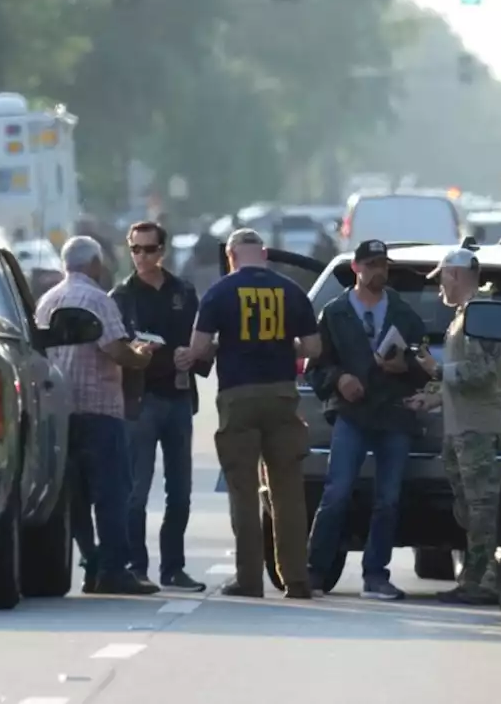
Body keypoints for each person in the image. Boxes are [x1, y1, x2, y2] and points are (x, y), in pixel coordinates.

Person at [183, 228, 321, 599]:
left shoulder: (219, 292)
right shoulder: (290, 291)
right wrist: (279, 348)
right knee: (288, 490)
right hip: (281, 395)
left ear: (231, 257)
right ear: (263, 254)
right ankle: (296, 578)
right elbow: (313, 347)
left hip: (237, 396)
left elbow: (197, 348)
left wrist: (226, 346)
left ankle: (249, 579)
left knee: (243, 489)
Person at [34, 235, 160, 596]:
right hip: (101, 410)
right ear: (93, 264)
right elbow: (117, 351)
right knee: (112, 493)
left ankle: (90, 563)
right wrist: (142, 355)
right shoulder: (97, 300)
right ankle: (114, 570)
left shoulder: (46, 301)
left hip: (61, 412)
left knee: (74, 495)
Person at [306, 239, 430, 600]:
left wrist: (404, 366)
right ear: (357, 269)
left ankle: (376, 574)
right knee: (337, 492)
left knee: (388, 499)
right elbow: (316, 366)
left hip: (393, 414)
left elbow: (424, 369)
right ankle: (315, 570)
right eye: (372, 265)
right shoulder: (335, 312)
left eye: (383, 265)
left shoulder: (404, 314)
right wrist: (338, 380)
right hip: (352, 415)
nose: (379, 271)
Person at [111, 220, 211, 593]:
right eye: (135, 249)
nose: (142, 257)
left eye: (149, 250)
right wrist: (135, 354)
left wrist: (194, 356)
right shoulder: (121, 296)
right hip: (140, 400)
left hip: (178, 397)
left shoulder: (183, 292)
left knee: (180, 490)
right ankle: (137, 566)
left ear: (162, 251)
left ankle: (174, 567)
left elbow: (204, 342)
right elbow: (112, 348)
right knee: (136, 491)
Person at [408, 247, 501, 605]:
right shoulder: (465, 316)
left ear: (455, 274)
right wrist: (431, 396)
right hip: (461, 427)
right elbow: (462, 374)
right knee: (469, 506)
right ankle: (476, 575)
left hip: (477, 427)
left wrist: (436, 372)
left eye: (442, 280)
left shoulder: (480, 315)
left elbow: (480, 374)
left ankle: (484, 580)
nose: (440, 291)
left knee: (481, 507)